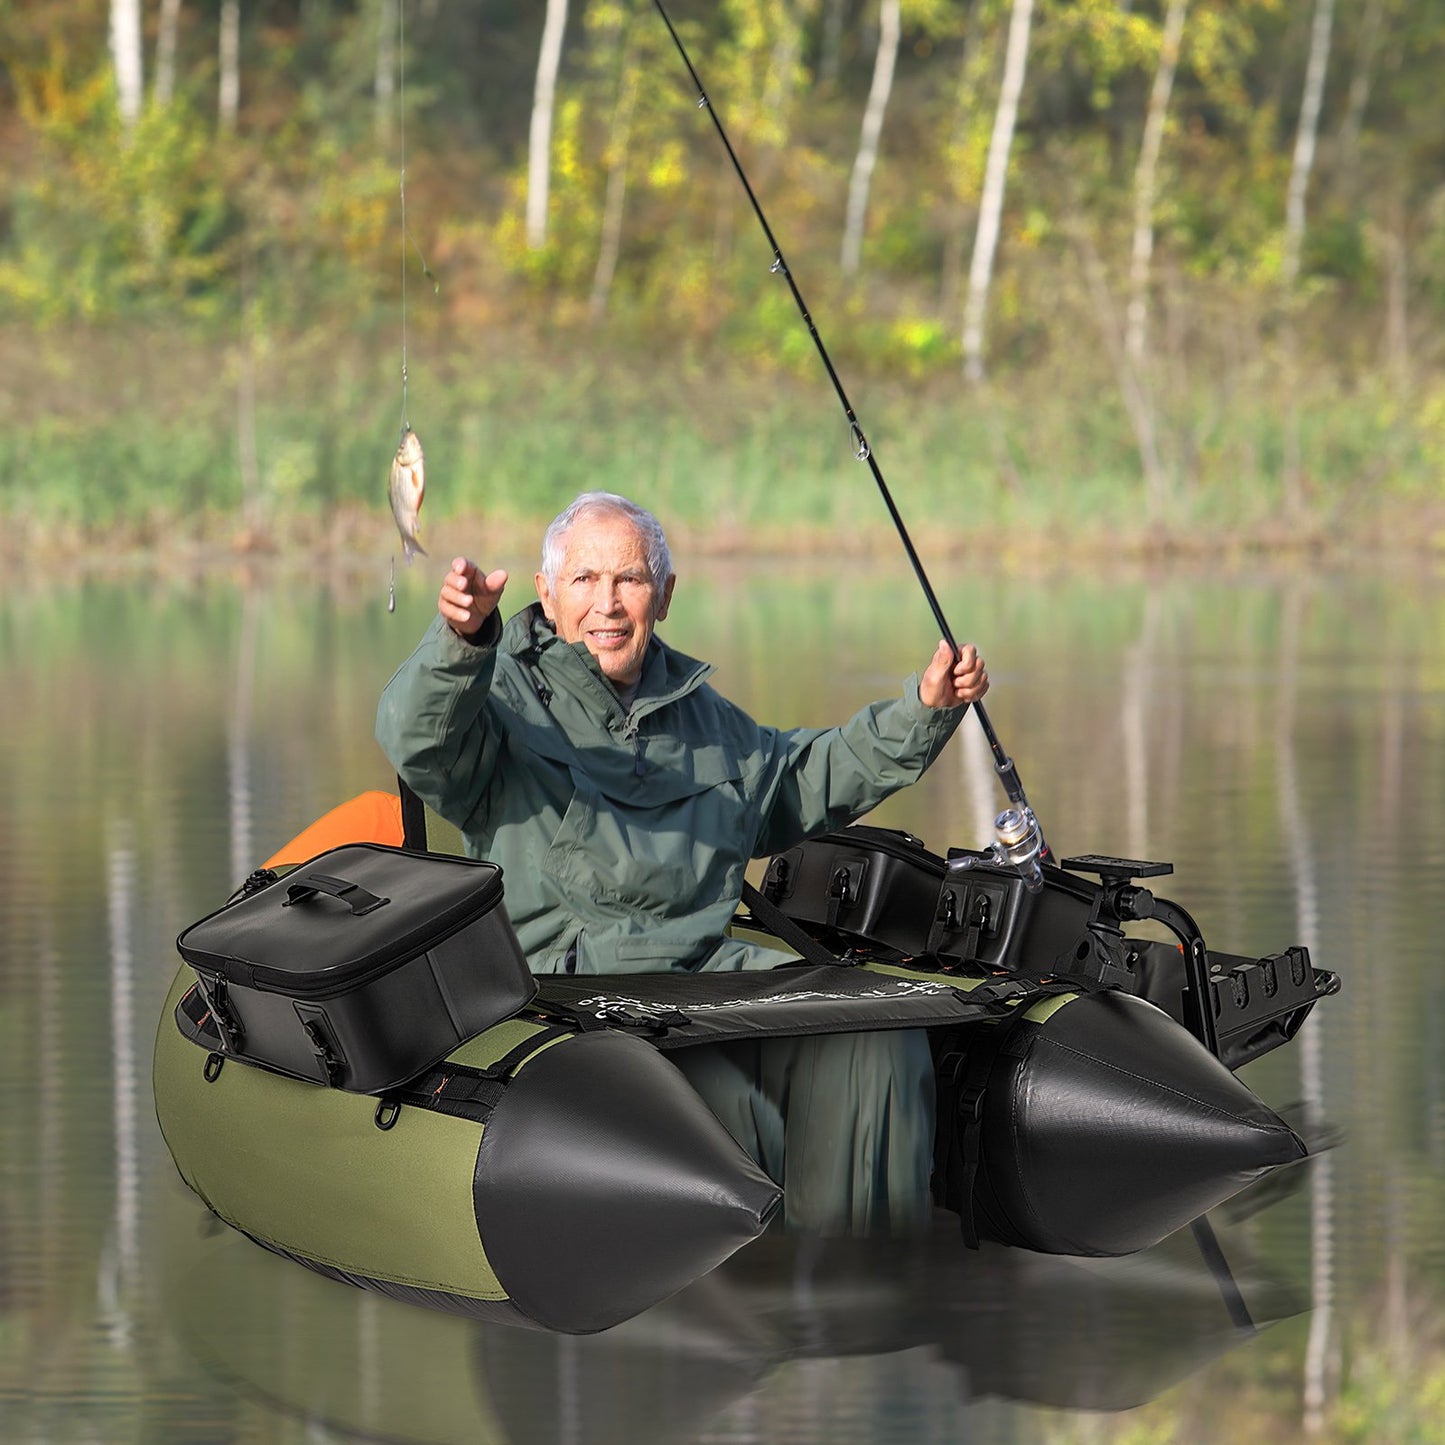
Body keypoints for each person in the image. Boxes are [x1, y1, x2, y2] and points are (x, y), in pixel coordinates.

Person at [376, 491, 989, 1234]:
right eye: (584, 579)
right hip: (568, 990)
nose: (607, 603)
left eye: (629, 579)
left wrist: (922, 711)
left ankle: (858, 1293)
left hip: (706, 973)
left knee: (876, 1042)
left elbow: (803, 780)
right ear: (546, 591)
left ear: (663, 596)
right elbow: (416, 736)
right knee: (739, 1118)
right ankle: (755, 1279)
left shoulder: (709, 720)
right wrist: (460, 640)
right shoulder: (495, 695)